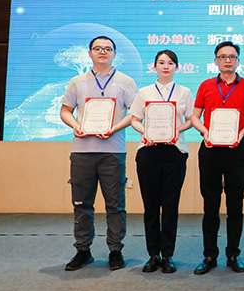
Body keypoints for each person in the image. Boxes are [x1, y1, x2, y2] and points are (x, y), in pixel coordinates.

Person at [60, 35, 137, 271]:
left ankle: (115, 251)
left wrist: (114, 128)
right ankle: (83, 251)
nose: (102, 52)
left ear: (115, 54)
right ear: (90, 53)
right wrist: (76, 126)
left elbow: (135, 114)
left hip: (113, 151)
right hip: (82, 152)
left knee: (115, 205)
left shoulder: (126, 82)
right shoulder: (77, 82)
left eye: (107, 49)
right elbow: (65, 111)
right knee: (82, 204)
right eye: (97, 48)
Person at [190, 41, 244, 275]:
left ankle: (233, 254)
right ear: (215, 60)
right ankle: (209, 255)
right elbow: (195, 116)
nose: (227, 60)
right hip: (210, 149)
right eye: (223, 56)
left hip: (236, 149)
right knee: (210, 204)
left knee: (235, 204)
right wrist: (205, 131)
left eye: (232, 56)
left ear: (238, 60)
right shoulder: (206, 85)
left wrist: (242, 133)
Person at [129, 50, 194, 274]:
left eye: (171, 63)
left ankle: (168, 255)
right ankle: (153, 254)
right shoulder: (144, 92)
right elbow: (135, 119)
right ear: (154, 66)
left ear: (177, 67)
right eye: (162, 62)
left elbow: (191, 120)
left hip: (175, 150)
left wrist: (177, 130)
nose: (166, 66)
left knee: (170, 205)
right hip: (148, 151)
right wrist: (145, 132)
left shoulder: (184, 92)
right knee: (150, 206)